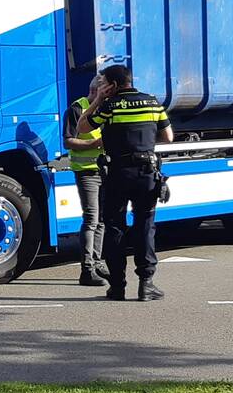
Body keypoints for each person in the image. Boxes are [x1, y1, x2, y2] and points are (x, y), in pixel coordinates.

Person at [77, 65, 174, 302]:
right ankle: (146, 284)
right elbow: (168, 137)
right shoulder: (153, 103)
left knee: (114, 227)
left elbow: (82, 128)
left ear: (114, 85)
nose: (101, 88)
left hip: (117, 174)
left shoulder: (110, 106)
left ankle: (118, 286)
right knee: (145, 227)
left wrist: (98, 99)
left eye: (103, 84)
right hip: (146, 172)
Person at [63, 75, 107, 287]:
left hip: (105, 170)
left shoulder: (106, 108)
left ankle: (97, 262)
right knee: (91, 218)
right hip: (87, 171)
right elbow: (69, 141)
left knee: (101, 220)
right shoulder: (76, 109)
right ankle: (87, 269)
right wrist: (95, 143)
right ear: (94, 91)